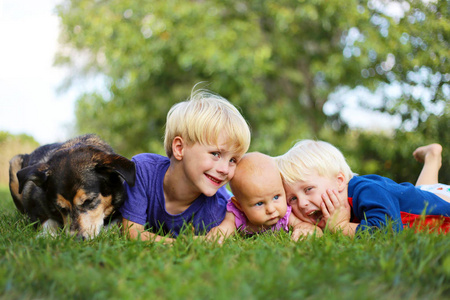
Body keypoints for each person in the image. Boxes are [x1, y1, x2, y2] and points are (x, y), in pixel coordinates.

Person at [120, 88, 251, 242]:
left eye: (233, 160)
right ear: (180, 148)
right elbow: (132, 233)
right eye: (216, 154)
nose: (224, 169)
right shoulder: (143, 171)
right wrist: (183, 244)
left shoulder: (216, 211)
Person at [276, 140, 450, 236]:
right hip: (425, 195)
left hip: (445, 206)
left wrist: (342, 227)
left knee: (430, 194)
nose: (303, 203)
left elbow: (387, 231)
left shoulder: (367, 191)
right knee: (424, 191)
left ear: (339, 181)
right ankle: (432, 157)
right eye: (293, 198)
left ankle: (432, 157)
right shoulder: (323, 206)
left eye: (308, 189)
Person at [207, 152, 322, 243]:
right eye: (259, 203)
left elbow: (302, 225)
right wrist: (216, 236)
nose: (271, 209)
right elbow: (224, 229)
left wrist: (307, 230)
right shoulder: (236, 214)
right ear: (239, 205)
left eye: (276, 197)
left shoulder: (285, 214)